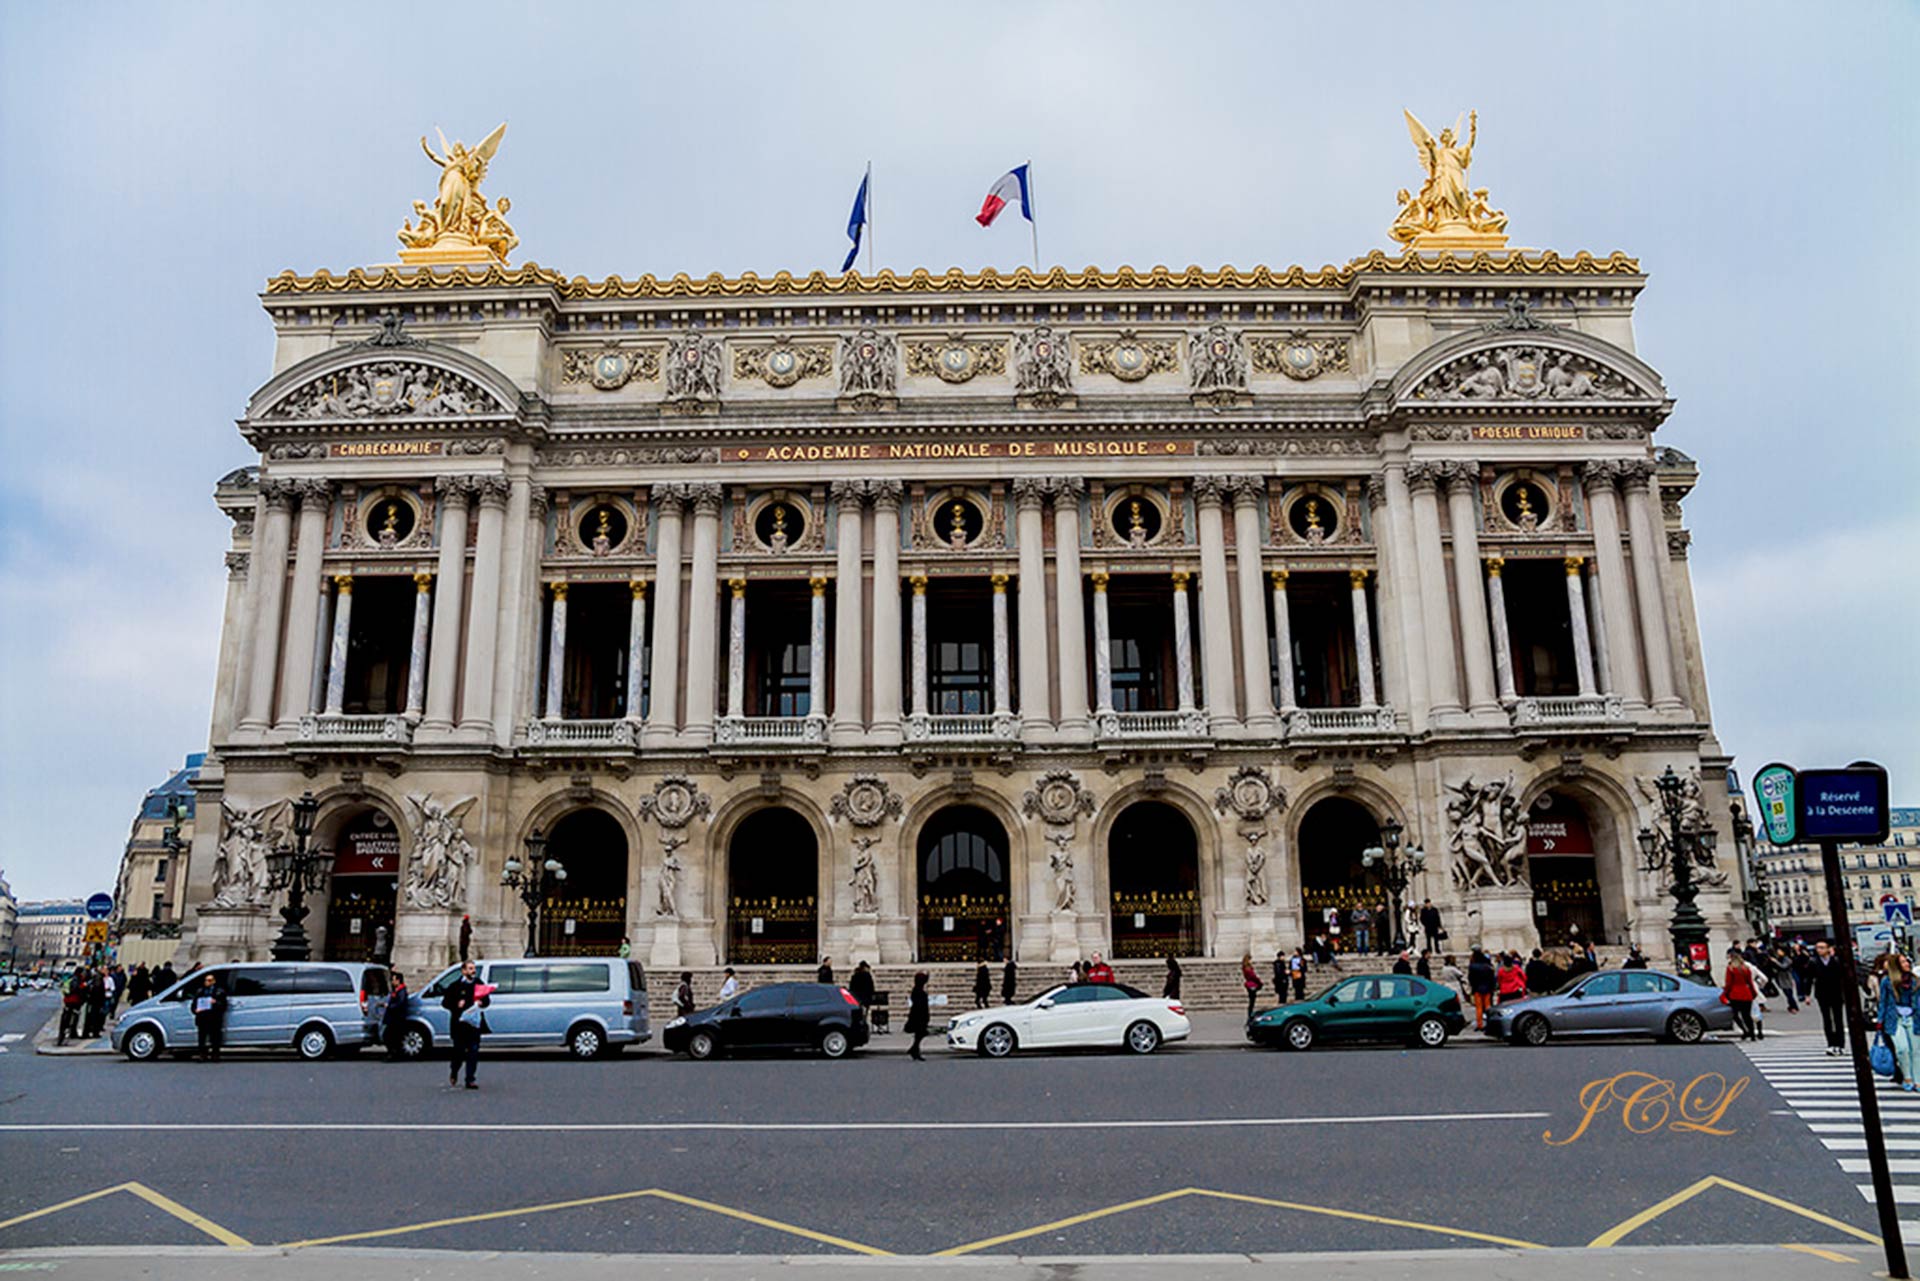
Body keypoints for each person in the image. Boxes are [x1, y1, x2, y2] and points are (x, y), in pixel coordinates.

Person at [440, 959, 490, 1089]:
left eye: (473, 968)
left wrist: (482, 1003)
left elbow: (487, 1000)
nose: (473, 971)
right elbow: (445, 1003)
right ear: (463, 971)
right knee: (459, 1052)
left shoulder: (478, 984)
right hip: (459, 1024)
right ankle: (454, 1070)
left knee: (473, 1051)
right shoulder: (455, 986)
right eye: (470, 968)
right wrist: (456, 1004)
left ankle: (470, 1079)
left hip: (474, 1024)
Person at [1880, 954, 1920, 1091]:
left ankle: (1917, 1080)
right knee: (1902, 1049)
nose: (1907, 964)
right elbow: (1883, 1002)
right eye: (1903, 962)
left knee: (1915, 1050)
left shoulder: (1915, 980)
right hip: (1894, 1018)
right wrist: (1880, 1020)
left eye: (1906, 961)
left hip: (1914, 1017)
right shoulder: (1887, 981)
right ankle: (1907, 1077)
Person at [1811, 939, 1848, 1055]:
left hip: (1836, 993)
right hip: (1822, 994)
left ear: (1828, 949)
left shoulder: (1836, 961)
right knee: (1827, 1019)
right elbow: (1809, 978)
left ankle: (1840, 1044)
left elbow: (1843, 977)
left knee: (1838, 1019)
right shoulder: (1814, 962)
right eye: (1818, 948)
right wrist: (1807, 995)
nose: (1819, 950)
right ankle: (1831, 1044)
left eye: (1822, 947)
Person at [1722, 950, 1758, 1041]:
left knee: (1735, 1015)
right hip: (1746, 993)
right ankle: (1752, 1033)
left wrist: (1725, 993)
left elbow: (1728, 983)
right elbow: (1750, 982)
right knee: (1747, 1015)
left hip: (1735, 994)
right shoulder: (1745, 968)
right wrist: (1753, 993)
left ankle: (1744, 1030)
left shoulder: (1730, 969)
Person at [191, 972, 227, 1062]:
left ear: (214, 981)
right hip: (202, 1017)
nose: (207, 982)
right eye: (206, 980)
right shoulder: (200, 991)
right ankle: (202, 1055)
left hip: (214, 1018)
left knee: (215, 1038)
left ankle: (215, 1055)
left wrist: (215, 1002)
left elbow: (224, 1006)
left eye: (210, 980)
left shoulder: (219, 992)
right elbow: (193, 1005)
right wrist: (195, 1010)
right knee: (202, 1038)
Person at [382, 970, 410, 1059]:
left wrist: (389, 1006)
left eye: (394, 980)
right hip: (394, 1018)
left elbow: (400, 1003)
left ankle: (393, 1053)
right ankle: (394, 1052)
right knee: (391, 1036)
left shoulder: (401, 991)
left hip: (397, 1018)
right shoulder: (397, 990)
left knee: (390, 1036)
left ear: (398, 981)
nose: (392, 982)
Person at [904, 971, 931, 1061]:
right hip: (919, 1016)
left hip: (917, 1015)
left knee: (919, 1034)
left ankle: (914, 1049)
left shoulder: (917, 990)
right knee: (920, 1033)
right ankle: (914, 1049)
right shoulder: (919, 991)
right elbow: (921, 1005)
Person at [57, 969, 84, 1045]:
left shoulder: (70, 979)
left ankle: (64, 1034)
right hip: (74, 1001)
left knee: (67, 1018)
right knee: (71, 1018)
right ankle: (67, 1034)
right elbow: (75, 989)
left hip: (68, 1001)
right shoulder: (77, 980)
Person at [1240, 953, 1263, 1021]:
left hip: (1249, 984)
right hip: (1252, 985)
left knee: (1251, 1000)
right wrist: (1259, 982)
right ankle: (1250, 1015)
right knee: (1252, 1001)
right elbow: (1253, 976)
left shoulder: (1244, 968)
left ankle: (1250, 1014)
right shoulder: (1248, 968)